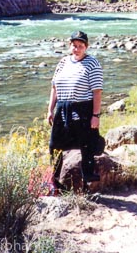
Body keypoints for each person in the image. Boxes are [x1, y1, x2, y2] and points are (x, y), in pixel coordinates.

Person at [47, 30, 103, 188]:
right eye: (74, 45)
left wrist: (96, 115)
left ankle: (88, 183)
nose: (76, 49)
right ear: (69, 45)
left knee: (86, 145)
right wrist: (50, 110)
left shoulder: (92, 64)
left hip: (83, 108)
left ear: (86, 47)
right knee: (55, 145)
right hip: (62, 107)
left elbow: (97, 92)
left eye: (80, 46)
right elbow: (54, 87)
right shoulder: (63, 62)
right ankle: (55, 183)